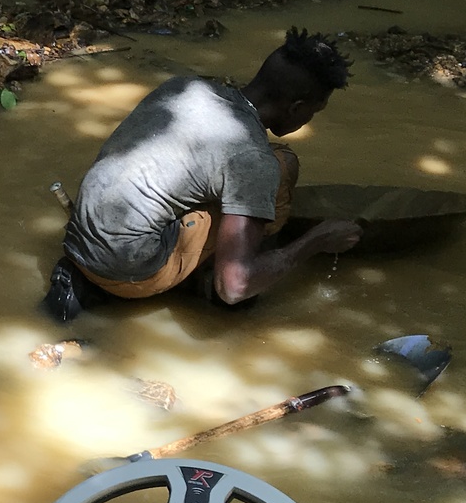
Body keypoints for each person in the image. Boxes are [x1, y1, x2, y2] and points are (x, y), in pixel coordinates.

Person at [44, 29, 362, 321]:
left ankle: (94, 278)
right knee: (282, 167)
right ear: (296, 107)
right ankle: (214, 287)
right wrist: (315, 241)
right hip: (125, 270)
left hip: (78, 238)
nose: (308, 119)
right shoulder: (252, 158)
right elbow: (234, 285)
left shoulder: (183, 88)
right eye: (313, 112)